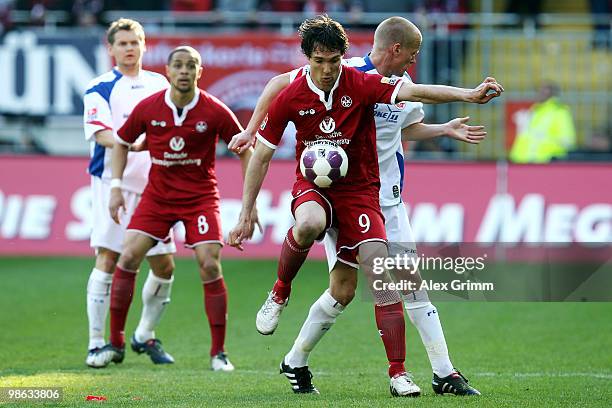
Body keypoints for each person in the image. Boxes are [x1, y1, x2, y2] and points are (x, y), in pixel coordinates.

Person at [228, 15, 502, 396]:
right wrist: (250, 127)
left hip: (381, 197)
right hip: (332, 191)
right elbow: (278, 84)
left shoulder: (389, 85)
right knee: (357, 285)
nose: (413, 61)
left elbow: (408, 119)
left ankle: (439, 372)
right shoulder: (341, 68)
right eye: (412, 53)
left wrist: (445, 126)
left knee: (388, 285)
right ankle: (298, 345)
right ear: (396, 49)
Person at [102, 45, 258, 372]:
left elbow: (246, 148)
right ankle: (115, 343)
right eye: (179, 66)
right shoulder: (149, 108)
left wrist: (249, 203)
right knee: (128, 256)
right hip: (157, 197)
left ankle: (218, 353)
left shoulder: (214, 110)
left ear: (199, 72)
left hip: (200, 197)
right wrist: (115, 188)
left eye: (191, 66)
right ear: (169, 72)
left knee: (209, 264)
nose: (185, 71)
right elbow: (121, 142)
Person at [83, 18, 177, 369]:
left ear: (144, 45)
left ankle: (144, 334)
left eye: (134, 42)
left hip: (156, 187)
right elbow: (101, 134)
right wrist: (132, 143)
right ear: (111, 49)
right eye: (122, 43)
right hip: (112, 184)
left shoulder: (158, 83)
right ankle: (96, 342)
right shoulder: (101, 87)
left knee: (164, 265)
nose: (129, 48)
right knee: (107, 259)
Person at [509, 81, 576, 163]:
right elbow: (526, 137)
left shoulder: (560, 112)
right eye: (538, 90)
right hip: (523, 161)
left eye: (544, 90)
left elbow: (567, 142)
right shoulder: (534, 111)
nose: (539, 93)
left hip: (546, 163)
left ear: (552, 93)